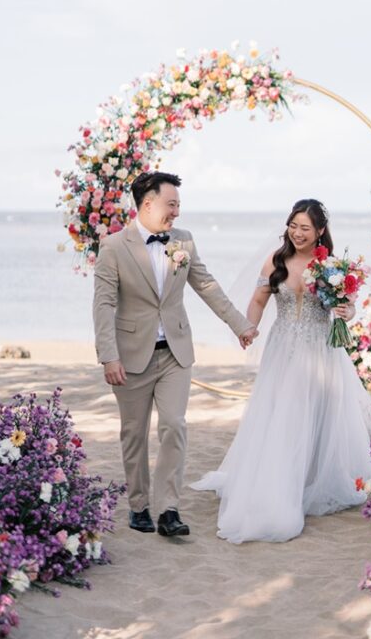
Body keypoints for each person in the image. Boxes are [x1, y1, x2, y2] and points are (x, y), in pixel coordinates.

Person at [191, 198, 371, 544]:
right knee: (283, 412)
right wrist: (248, 328)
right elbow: (258, 300)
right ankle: (279, 480)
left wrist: (347, 312)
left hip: (320, 349)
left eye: (305, 228)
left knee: (317, 411)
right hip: (283, 348)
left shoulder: (331, 267)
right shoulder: (275, 260)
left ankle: (310, 478)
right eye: (293, 226)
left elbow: (348, 306)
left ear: (320, 231)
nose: (297, 233)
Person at [93, 170, 258, 539]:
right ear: (148, 204)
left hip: (175, 353)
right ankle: (139, 505)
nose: (177, 212)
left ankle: (169, 508)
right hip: (130, 356)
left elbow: (207, 285)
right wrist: (108, 356)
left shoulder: (184, 240)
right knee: (134, 434)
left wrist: (240, 324)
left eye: (179, 205)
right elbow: (103, 304)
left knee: (174, 425)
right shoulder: (114, 247)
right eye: (172, 204)